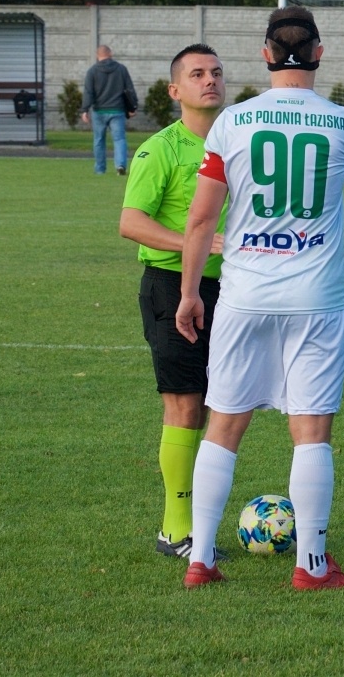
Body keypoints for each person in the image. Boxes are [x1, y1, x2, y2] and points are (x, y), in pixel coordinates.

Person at [175, 7, 344, 591]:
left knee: (223, 424)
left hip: (245, 295)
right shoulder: (342, 122)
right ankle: (312, 566)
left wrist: (190, 292)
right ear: (318, 54)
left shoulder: (232, 122)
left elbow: (201, 220)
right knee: (311, 431)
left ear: (266, 53)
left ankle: (200, 558)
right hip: (315, 299)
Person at [120, 44, 228, 559]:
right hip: (172, 286)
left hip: (236, 291)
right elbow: (131, 223)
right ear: (175, 90)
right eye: (197, 74)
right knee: (184, 405)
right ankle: (175, 529)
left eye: (216, 73)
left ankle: (198, 522)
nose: (209, 81)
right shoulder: (160, 148)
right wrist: (196, 244)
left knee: (218, 409)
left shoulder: (235, 141)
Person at [83, 45, 139, 175]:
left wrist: (85, 109)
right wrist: (133, 107)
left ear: (98, 55)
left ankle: (100, 169)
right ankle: (120, 165)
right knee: (119, 139)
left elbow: (88, 92)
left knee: (99, 140)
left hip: (99, 111)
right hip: (117, 110)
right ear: (111, 53)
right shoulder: (121, 69)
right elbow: (129, 89)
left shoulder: (92, 71)